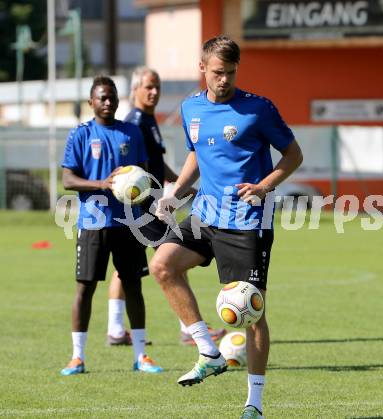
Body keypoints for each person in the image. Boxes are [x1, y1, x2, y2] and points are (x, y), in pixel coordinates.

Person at [149, 36, 303, 418]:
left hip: (248, 222)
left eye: (231, 73)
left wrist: (265, 185)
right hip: (205, 215)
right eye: (218, 72)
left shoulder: (258, 109)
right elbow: (197, 155)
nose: (224, 80)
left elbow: (294, 155)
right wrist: (175, 192)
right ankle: (208, 351)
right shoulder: (190, 109)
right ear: (202, 69)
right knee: (162, 265)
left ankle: (254, 403)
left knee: (252, 313)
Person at [106, 67, 226, 347]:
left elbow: (156, 165)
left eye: (157, 86)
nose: (154, 92)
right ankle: (188, 328)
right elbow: (131, 168)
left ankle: (115, 329)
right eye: (148, 86)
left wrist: (180, 182)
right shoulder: (135, 123)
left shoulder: (147, 120)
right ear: (134, 89)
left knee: (128, 267)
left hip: (150, 206)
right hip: (144, 208)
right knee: (172, 262)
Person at [60, 75, 163, 376]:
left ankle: (141, 356)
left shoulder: (131, 132)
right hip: (93, 222)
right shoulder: (80, 134)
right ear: (91, 102)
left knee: (133, 286)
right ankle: (77, 357)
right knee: (85, 288)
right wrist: (102, 184)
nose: (107, 102)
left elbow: (141, 176)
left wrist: (147, 201)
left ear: (118, 101)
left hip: (127, 223)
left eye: (112, 97)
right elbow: (68, 179)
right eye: (101, 97)